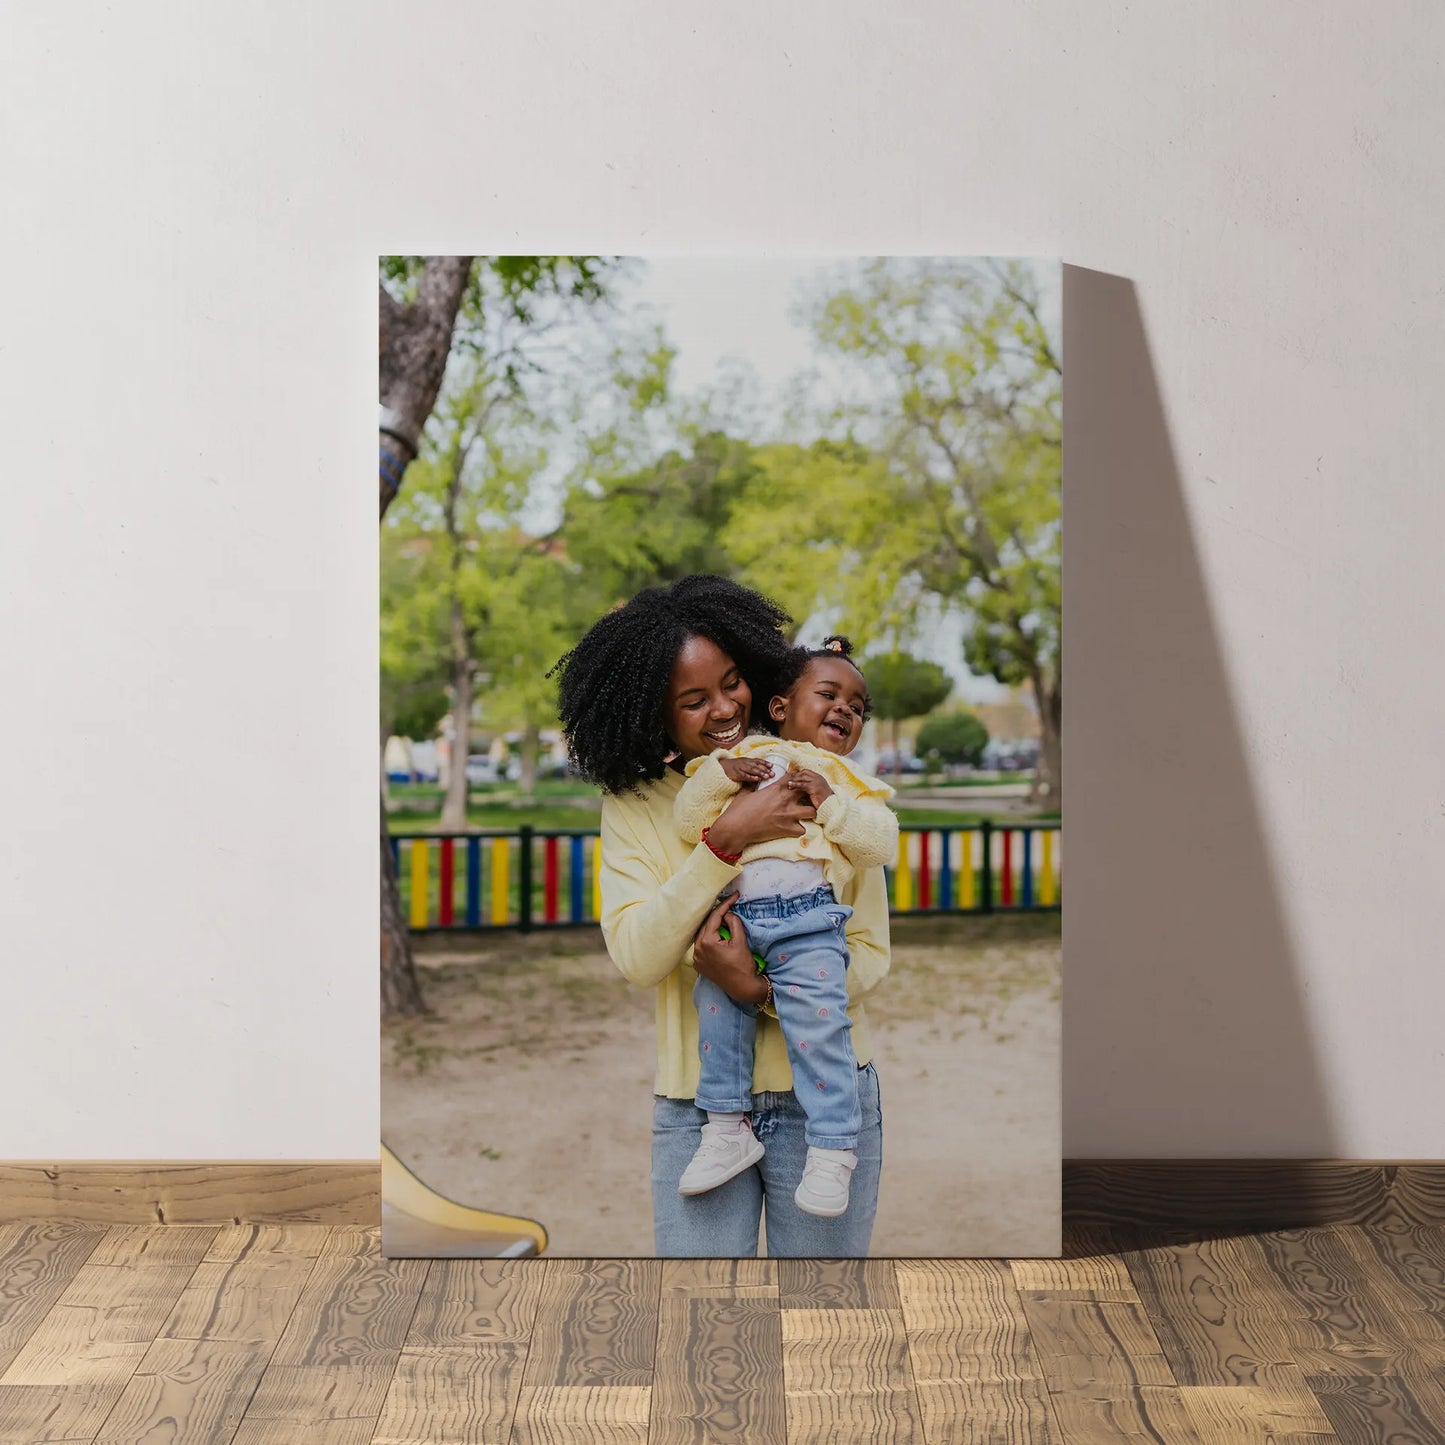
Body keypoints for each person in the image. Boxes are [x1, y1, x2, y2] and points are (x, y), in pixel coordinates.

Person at [553, 575, 890, 1257]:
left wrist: (760, 993)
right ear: (656, 710)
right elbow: (638, 955)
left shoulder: (815, 778)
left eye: (732, 681)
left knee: (823, 1315)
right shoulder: (636, 804)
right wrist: (725, 840)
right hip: (697, 1110)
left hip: (823, 1102)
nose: (724, 707)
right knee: (700, 1318)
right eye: (693, 698)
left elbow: (869, 949)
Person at [672, 636, 896, 1218]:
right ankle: (724, 1129)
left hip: (809, 924)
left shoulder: (846, 779)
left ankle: (832, 1149)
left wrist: (831, 804)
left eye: (857, 706)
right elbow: (688, 820)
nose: (845, 709)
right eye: (829, 694)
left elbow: (880, 844)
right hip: (739, 920)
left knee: (822, 1028)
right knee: (716, 1013)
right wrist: (724, 776)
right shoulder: (747, 756)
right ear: (780, 707)